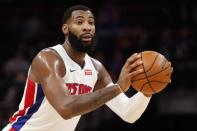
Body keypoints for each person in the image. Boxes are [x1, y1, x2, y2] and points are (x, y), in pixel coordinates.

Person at [2, 5, 159, 131]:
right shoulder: (49, 58)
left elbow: (128, 113)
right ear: (65, 28)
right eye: (79, 22)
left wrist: (148, 88)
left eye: (91, 23)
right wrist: (118, 88)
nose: (87, 27)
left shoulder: (97, 69)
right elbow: (65, 109)